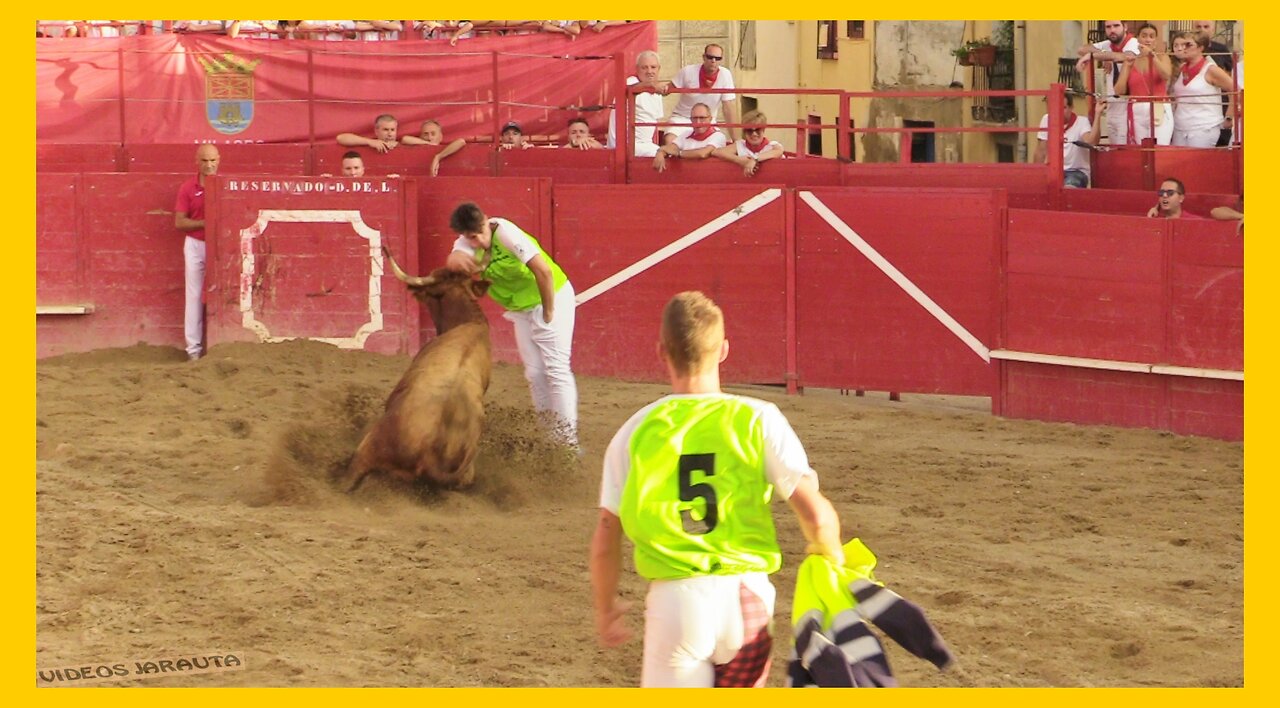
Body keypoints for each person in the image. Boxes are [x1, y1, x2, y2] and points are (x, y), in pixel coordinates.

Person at [589, 291, 845, 687]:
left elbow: (607, 534)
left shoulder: (635, 431)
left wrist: (605, 607)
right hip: (749, 600)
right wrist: (832, 562)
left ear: (661, 352)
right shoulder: (759, 419)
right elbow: (815, 512)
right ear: (723, 350)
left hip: (678, 601)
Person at [444, 202, 578, 445]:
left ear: (486, 222)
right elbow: (455, 259)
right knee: (535, 373)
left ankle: (567, 443)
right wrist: (455, 260)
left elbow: (543, 271)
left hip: (551, 297)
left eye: (477, 236)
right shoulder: (466, 243)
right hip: (521, 309)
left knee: (556, 370)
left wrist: (549, 311)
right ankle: (549, 439)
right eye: (469, 238)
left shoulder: (507, 233)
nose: (476, 243)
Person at [174, 144, 220, 361]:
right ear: (197, 161)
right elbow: (179, 222)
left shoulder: (225, 186)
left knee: (221, 293)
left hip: (220, 244)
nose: (209, 165)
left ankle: (220, 345)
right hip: (195, 244)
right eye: (204, 161)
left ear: (219, 160)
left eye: (212, 160)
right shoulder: (187, 188)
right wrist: (206, 222)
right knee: (193, 296)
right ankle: (193, 351)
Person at [1076, 21, 1140, 144]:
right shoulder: (1108, 45)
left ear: (1125, 27)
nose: (1112, 30)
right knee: (1114, 150)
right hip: (1112, 106)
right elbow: (1082, 49)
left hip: (1129, 107)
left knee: (1126, 151)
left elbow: (1126, 56)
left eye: (1116, 26)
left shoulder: (1133, 43)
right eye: (1108, 27)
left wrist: (1098, 56)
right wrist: (1106, 56)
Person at [1170, 31, 1236, 148]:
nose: (1183, 48)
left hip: (1204, 128)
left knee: (1199, 164)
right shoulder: (1181, 69)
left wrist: (1229, 116)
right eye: (1181, 45)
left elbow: (1236, 90)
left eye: (1188, 45)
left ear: (1201, 47)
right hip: (1180, 127)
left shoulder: (1211, 69)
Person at [666, 44, 741, 143]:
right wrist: (651, 86)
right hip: (682, 118)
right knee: (670, 142)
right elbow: (667, 89)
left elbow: (729, 108)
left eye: (717, 58)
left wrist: (737, 140)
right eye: (710, 57)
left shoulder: (725, 75)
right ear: (704, 57)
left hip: (708, 121)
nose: (713, 61)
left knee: (717, 145)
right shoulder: (688, 71)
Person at [1114, 23, 1173, 145]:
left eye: (1151, 36)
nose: (1147, 39)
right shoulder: (1131, 59)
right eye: (1144, 35)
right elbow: (1118, 91)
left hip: (1158, 107)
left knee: (1159, 148)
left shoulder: (1163, 57)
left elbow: (1166, 75)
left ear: (1155, 41)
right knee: (1140, 151)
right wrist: (1126, 67)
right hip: (1137, 109)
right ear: (1138, 39)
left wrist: (1153, 57)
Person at [607, 50, 670, 158]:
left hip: (644, 146)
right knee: (667, 157)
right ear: (637, 69)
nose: (649, 71)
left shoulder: (655, 90)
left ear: (659, 69)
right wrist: (651, 85)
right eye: (644, 67)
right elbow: (629, 90)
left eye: (653, 67)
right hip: (625, 145)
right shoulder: (630, 82)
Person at [1034, 94, 1104, 188]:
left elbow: (1091, 142)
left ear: (1071, 108)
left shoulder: (1081, 122)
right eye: (1054, 108)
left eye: (1063, 108)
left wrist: (1098, 114)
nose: (1058, 112)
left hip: (1076, 172)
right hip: (1054, 170)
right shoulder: (1046, 119)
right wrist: (1036, 176)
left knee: (1069, 188)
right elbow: (1041, 151)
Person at [652, 102, 727, 172]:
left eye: (702, 118)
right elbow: (671, 147)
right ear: (691, 120)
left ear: (710, 119)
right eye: (695, 118)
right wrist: (660, 152)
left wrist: (679, 153)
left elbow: (703, 153)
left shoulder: (718, 136)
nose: (698, 122)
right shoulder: (686, 134)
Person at [1193, 20, 1235, 146]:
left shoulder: (1222, 50)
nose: (1202, 30)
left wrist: (1230, 114)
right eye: (1198, 27)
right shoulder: (1186, 49)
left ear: (1213, 29)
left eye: (1206, 26)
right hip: (1194, 109)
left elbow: (1232, 77)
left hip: (1220, 106)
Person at [712, 110, 783, 177]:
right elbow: (716, 152)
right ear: (744, 132)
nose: (754, 134)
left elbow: (778, 151)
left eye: (758, 130)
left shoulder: (772, 145)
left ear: (763, 130)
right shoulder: (740, 145)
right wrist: (740, 160)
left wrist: (754, 159)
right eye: (749, 130)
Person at [337, 114, 425, 154]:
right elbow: (340, 138)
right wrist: (369, 142)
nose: (390, 134)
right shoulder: (369, 143)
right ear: (376, 131)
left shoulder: (404, 143)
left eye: (392, 130)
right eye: (386, 130)